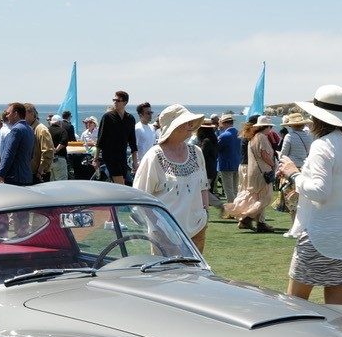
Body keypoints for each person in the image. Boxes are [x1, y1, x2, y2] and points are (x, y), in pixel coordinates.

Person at [276, 85, 342, 305]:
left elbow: (320, 191)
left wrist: (293, 174)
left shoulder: (322, 145)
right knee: (337, 314)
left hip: (321, 236)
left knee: (295, 307)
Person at [133, 104, 209, 251]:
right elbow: (140, 197)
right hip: (165, 235)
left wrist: (205, 214)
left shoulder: (196, 152)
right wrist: (159, 227)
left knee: (196, 274)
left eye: (191, 122)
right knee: (168, 274)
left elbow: (203, 186)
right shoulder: (154, 156)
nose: (190, 125)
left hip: (197, 228)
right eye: (185, 122)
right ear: (173, 127)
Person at [222, 117, 276, 232]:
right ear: (265, 127)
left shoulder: (253, 137)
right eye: (270, 126)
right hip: (262, 172)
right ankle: (247, 218)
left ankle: (254, 221)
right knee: (265, 197)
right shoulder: (261, 137)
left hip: (253, 171)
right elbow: (264, 154)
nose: (270, 129)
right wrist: (272, 165)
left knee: (254, 196)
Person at [96, 90, 138, 184]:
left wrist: (135, 162)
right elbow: (100, 139)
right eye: (114, 100)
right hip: (110, 155)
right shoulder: (107, 117)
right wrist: (96, 159)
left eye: (118, 100)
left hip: (122, 155)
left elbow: (132, 141)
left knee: (121, 182)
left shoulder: (130, 119)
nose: (115, 102)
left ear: (125, 102)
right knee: (120, 183)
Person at [0, 102, 34, 186]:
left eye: (8, 113)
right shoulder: (30, 129)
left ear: (16, 114)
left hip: (14, 178)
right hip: (26, 176)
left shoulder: (16, 130)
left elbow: (8, 153)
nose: (6, 116)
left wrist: (1, 174)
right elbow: (31, 154)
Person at [215, 113, 240, 202]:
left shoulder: (224, 136)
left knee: (228, 189)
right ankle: (237, 207)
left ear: (224, 123)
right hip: (237, 164)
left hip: (226, 165)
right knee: (235, 189)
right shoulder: (239, 134)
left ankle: (233, 209)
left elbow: (216, 149)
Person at [25, 103, 53, 184]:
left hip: (39, 173)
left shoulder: (41, 129)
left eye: (24, 114)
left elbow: (48, 151)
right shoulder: (30, 128)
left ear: (31, 114)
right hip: (32, 172)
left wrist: (41, 169)